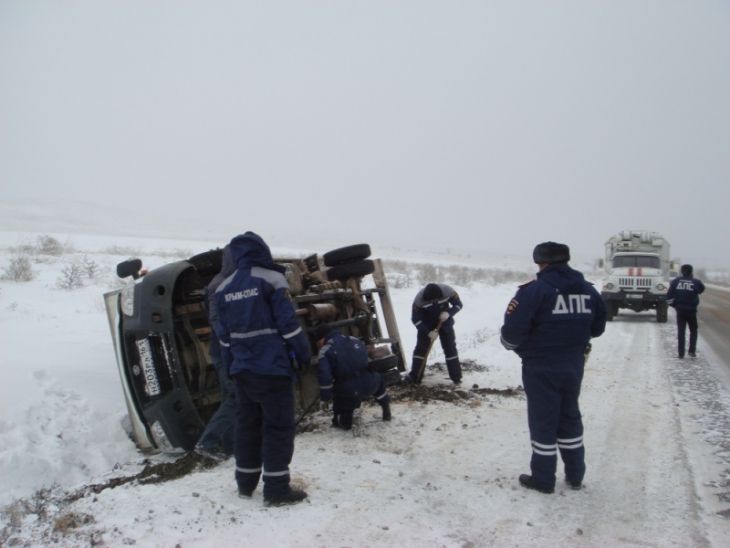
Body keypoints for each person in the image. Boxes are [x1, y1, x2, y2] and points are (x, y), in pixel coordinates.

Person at [211, 232, 312, 506]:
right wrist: (304, 355)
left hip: (243, 372)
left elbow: (223, 338)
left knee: (247, 427)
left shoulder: (223, 288)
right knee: (277, 428)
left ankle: (245, 484)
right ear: (261, 250)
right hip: (272, 369)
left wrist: (231, 368)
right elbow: (288, 326)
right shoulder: (271, 279)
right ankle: (277, 490)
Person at [500, 242, 606, 494]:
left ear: (540, 262)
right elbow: (598, 328)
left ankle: (543, 479)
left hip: (541, 366)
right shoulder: (589, 291)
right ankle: (576, 475)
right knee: (569, 416)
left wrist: (517, 347)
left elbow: (512, 334)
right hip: (574, 364)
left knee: (543, 419)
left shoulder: (533, 291)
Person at [195, 245, 236, 460]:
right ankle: (207, 442)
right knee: (235, 396)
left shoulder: (217, 282)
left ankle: (230, 447)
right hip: (225, 350)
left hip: (220, 349)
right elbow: (219, 320)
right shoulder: (222, 284)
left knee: (229, 396)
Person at [314, 326, 392, 430]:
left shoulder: (325, 351)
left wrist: (325, 398)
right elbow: (367, 358)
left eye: (317, 342)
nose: (318, 345)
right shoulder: (354, 340)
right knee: (378, 379)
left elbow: (325, 377)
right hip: (371, 383)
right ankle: (386, 409)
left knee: (342, 399)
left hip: (350, 390)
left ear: (322, 338)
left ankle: (343, 421)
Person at [405, 283, 463, 384]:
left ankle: (456, 377)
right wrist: (428, 332)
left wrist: (449, 313)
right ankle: (415, 376)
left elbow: (458, 304)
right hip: (426, 324)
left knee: (450, 348)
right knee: (421, 350)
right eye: (431, 301)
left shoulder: (448, 291)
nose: (434, 302)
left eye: (436, 300)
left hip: (444, 322)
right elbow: (416, 319)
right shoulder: (419, 301)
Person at [667, 264, 705, 359]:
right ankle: (691, 351)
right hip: (692, 311)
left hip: (680, 310)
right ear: (691, 271)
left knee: (681, 332)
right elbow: (701, 290)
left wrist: (675, 305)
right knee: (693, 330)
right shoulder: (696, 282)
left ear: (681, 271)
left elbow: (668, 297)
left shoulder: (675, 281)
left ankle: (681, 353)